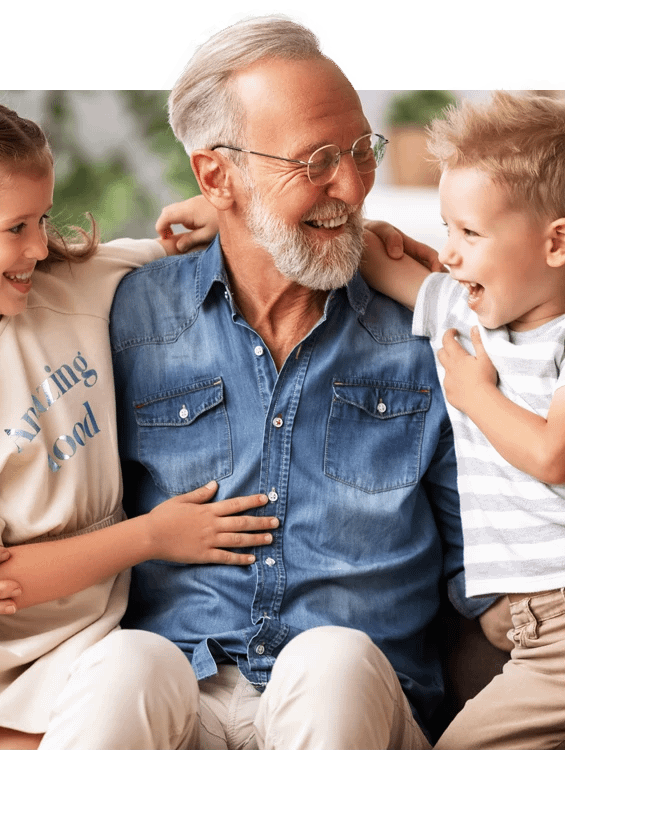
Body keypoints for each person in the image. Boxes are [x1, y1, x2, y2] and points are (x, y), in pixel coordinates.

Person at [104, 15, 502, 749]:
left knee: (329, 659)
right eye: (316, 160)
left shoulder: (425, 328)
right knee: (123, 665)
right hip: (182, 690)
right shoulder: (128, 316)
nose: (350, 188)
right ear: (216, 175)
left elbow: (488, 554)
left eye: (360, 151)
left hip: (358, 698)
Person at [0, 91, 281, 750]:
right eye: (16, 227)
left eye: (43, 219)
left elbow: (187, 252)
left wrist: (221, 212)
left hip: (78, 634)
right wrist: (153, 536)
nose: (40, 247)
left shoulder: (76, 286)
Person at [361, 90, 564, 749]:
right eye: (446, 228)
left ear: (555, 242)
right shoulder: (462, 311)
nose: (448, 254)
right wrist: (229, 213)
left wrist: (475, 393)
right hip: (514, 617)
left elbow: (552, 455)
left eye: (469, 233)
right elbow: (370, 257)